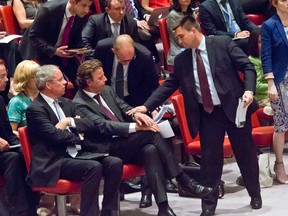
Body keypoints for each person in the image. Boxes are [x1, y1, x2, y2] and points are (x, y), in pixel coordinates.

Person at [128, 16, 262, 216]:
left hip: (234, 109)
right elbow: (169, 86)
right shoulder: (182, 59)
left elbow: (248, 67)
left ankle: (255, 195)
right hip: (208, 114)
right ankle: (208, 206)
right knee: (209, 162)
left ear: (193, 31)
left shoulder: (222, 43)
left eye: (181, 36)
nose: (179, 41)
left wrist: (249, 91)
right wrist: (146, 107)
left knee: (246, 154)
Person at [72, 59, 213, 216]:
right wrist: (137, 127)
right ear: (88, 81)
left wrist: (137, 114)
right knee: (149, 134)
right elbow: (104, 126)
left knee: (150, 150)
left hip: (123, 142)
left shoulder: (106, 90)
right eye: (100, 77)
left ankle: (163, 207)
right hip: (106, 147)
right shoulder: (79, 103)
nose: (105, 79)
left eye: (104, 75)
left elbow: (123, 107)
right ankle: (182, 179)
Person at [25, 64, 123, 216]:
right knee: (93, 167)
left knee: (114, 163)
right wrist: (79, 136)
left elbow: (91, 124)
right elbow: (55, 137)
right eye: (60, 80)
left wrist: (69, 121)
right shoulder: (35, 109)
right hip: (54, 160)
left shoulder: (67, 103)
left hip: (76, 154)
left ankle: (108, 212)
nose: (66, 82)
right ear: (48, 85)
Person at [19, 0, 92, 85]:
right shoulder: (48, 10)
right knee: (54, 82)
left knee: (82, 79)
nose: (86, 10)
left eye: (89, 6)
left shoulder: (81, 15)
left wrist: (80, 50)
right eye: (83, 5)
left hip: (62, 51)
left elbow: (76, 37)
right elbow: (34, 35)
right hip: (40, 50)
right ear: (72, 1)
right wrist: (54, 51)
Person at [0, 63, 39, 216]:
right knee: (13, 159)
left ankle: (32, 205)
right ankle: (21, 210)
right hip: (5, 155)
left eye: (6, 75)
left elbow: (9, 133)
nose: (6, 80)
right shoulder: (15, 102)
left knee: (27, 153)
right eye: (1, 77)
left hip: (5, 148)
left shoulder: (0, 100)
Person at [261, 0, 288, 184]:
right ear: (275, 3)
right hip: (279, 79)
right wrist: (270, 83)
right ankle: (279, 163)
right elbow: (266, 55)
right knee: (281, 123)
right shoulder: (269, 25)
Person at [94, 35, 158, 107]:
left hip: (135, 99)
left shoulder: (144, 56)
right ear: (114, 51)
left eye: (131, 59)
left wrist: (152, 106)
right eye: (124, 60)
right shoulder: (102, 49)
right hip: (108, 96)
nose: (127, 63)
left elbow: (153, 84)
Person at [7, 60, 40, 137]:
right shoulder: (16, 102)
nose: (39, 80)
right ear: (25, 80)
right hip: (31, 143)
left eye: (40, 76)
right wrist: (27, 137)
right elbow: (11, 131)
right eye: (35, 77)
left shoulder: (44, 96)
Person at [247, 28, 272, 115]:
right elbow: (256, 86)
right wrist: (275, 86)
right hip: (262, 98)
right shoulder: (252, 60)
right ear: (254, 44)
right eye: (261, 42)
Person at [166, 0, 194, 65]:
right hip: (179, 49)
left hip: (193, 45)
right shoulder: (173, 15)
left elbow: (198, 31)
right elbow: (179, 39)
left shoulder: (191, 12)